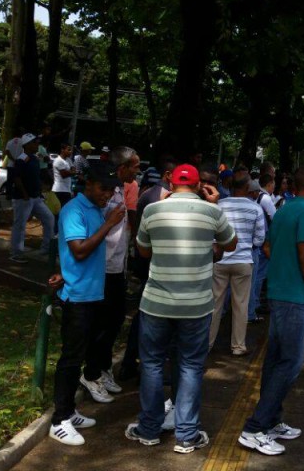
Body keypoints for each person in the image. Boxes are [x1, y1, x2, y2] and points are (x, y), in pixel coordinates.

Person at [127, 164, 235, 453]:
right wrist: (214, 205)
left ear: (170, 183)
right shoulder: (212, 212)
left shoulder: (153, 211)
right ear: (200, 185)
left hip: (156, 302)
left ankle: (149, 429)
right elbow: (231, 242)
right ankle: (186, 435)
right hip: (196, 306)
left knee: (151, 364)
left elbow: (144, 250)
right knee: (190, 366)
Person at [239, 166, 304, 457]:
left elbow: (267, 247)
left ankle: (272, 420)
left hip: (278, 292)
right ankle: (255, 427)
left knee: (276, 361)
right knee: (291, 363)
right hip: (293, 296)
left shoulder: (284, 209)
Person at [48, 163, 126, 446]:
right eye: (104, 188)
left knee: (81, 355)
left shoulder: (95, 209)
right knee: (70, 359)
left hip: (93, 294)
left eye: (112, 190)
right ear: (88, 184)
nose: (108, 194)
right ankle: (59, 420)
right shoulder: (74, 210)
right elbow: (78, 251)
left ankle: (70, 411)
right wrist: (109, 224)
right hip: (78, 296)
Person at [79, 146, 139, 403]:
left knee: (114, 322)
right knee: (101, 325)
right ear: (122, 167)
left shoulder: (119, 192)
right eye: (134, 166)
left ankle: (102, 369)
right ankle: (90, 373)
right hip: (101, 269)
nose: (137, 171)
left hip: (116, 268)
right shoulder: (105, 195)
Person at [118, 160, 175, 381]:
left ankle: (132, 362)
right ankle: (140, 364)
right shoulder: (158, 199)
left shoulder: (148, 194)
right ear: (169, 175)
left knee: (144, 316)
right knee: (149, 318)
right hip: (155, 268)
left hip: (148, 265)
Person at [210, 174, 266, 355]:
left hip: (220, 260)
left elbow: (212, 235)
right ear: (248, 187)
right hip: (243, 261)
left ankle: (206, 344)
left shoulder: (219, 206)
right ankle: (238, 346)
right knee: (241, 305)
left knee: (214, 304)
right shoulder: (255, 208)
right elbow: (259, 239)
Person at [9, 133, 54, 261]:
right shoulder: (21, 159)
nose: (37, 145)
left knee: (49, 218)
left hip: (36, 198)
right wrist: (25, 194)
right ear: (27, 145)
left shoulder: (34, 158)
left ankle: (47, 248)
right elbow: (16, 178)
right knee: (20, 225)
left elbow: (36, 176)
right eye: (35, 143)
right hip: (23, 198)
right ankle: (16, 253)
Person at [249, 172, 278, 319]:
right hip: (264, 238)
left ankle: (252, 305)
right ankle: (253, 306)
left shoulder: (257, 197)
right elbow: (275, 218)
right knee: (260, 274)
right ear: (269, 184)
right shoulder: (265, 198)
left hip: (256, 237)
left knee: (257, 274)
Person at [52, 143, 75, 208]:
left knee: (65, 210)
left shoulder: (68, 160)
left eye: (71, 150)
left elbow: (73, 169)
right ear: (62, 150)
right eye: (69, 150)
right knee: (59, 210)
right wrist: (72, 172)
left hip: (67, 190)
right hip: (59, 190)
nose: (71, 151)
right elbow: (64, 174)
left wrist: (70, 172)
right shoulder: (58, 160)